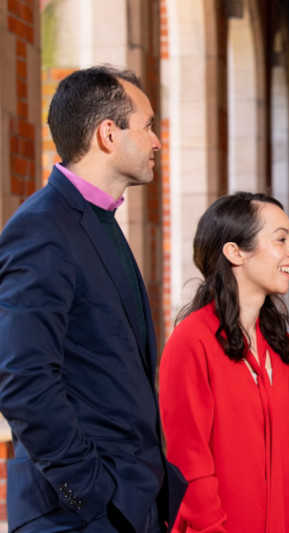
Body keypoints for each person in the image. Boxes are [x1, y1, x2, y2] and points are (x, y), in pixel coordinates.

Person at [0, 65, 186, 532]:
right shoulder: (41, 229)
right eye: (146, 126)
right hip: (79, 514)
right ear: (108, 133)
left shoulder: (94, 219)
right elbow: (22, 379)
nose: (156, 141)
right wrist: (87, 490)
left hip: (128, 501)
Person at [159, 192, 289, 532]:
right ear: (235, 252)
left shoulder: (280, 345)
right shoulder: (192, 341)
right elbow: (190, 463)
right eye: (281, 240)